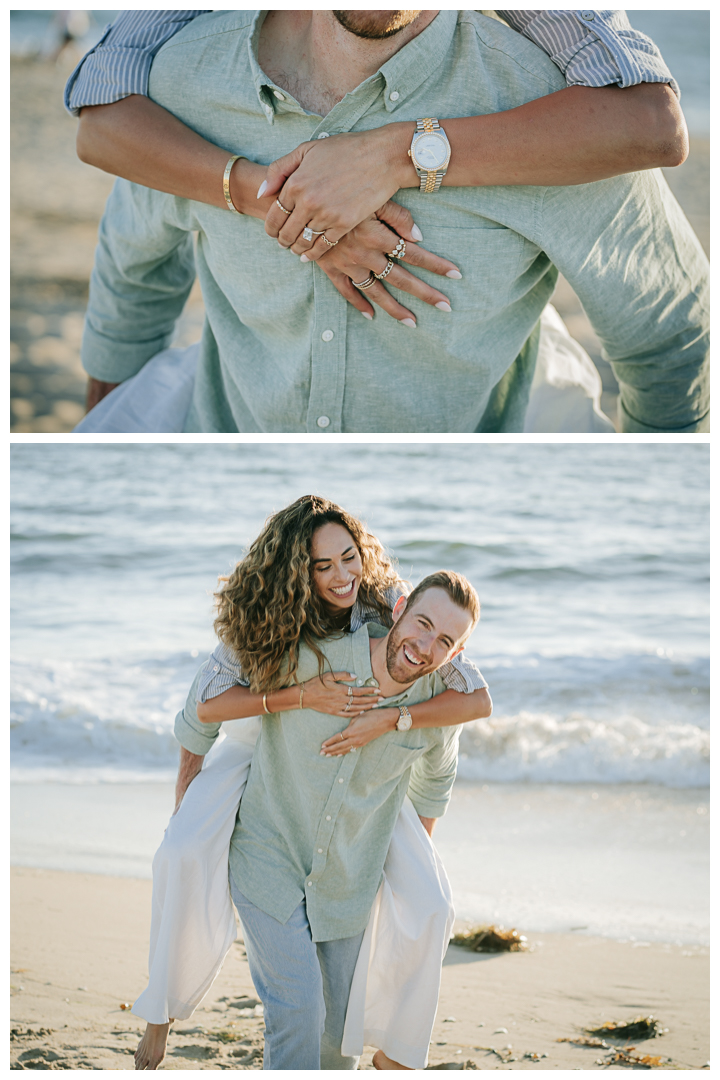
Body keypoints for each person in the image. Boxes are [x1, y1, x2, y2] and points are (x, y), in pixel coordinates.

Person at [72, 11, 708, 432]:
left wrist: (403, 153)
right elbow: (133, 275)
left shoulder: (555, 113)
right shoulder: (184, 84)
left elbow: (671, 335)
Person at [132, 496, 491, 1070]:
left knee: (421, 912)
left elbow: (470, 704)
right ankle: (160, 1016)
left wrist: (392, 719)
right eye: (323, 566)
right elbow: (200, 710)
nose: (341, 576)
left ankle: (396, 1051)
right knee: (183, 853)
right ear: (297, 574)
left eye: (348, 558)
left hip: (351, 842)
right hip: (265, 766)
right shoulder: (273, 630)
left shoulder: (390, 606)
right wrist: (188, 796)